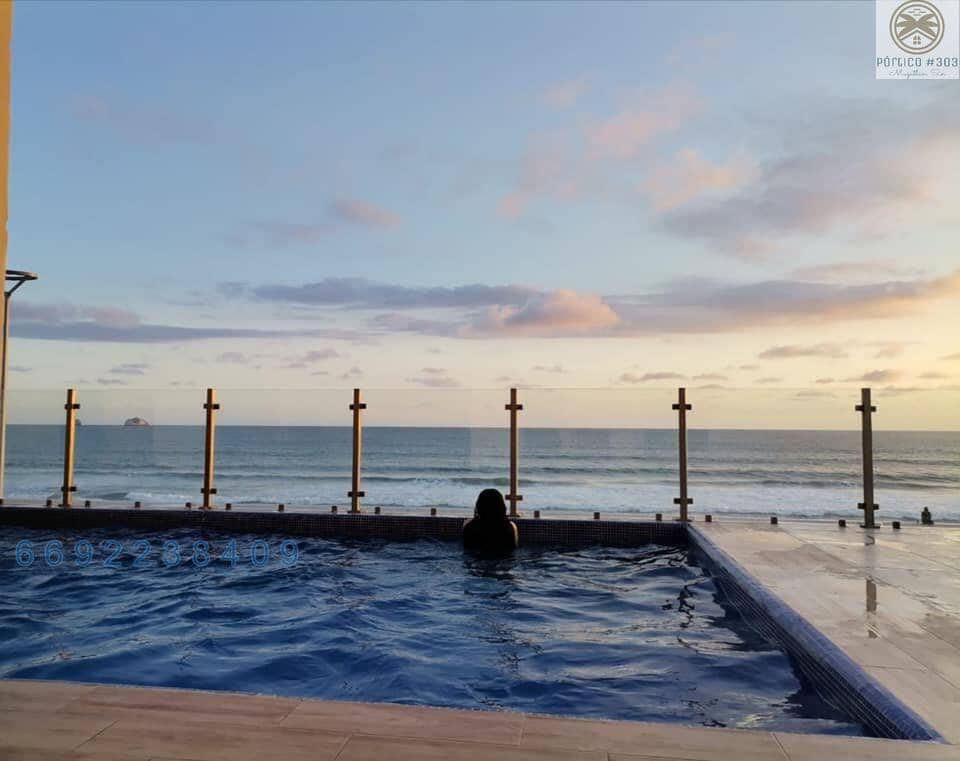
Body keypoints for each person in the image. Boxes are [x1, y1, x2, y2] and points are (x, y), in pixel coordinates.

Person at [462, 488, 519, 553]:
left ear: (479, 505)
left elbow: (467, 549)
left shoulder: (468, 526)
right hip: (502, 560)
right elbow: (514, 548)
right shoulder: (510, 527)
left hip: (477, 559)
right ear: (501, 506)